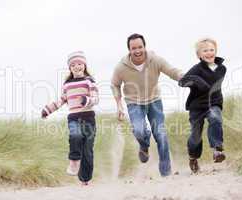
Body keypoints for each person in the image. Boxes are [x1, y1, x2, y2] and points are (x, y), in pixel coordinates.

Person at [111, 33, 183, 176]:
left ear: (144, 46)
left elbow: (172, 71)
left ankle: (166, 173)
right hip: (134, 103)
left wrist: (184, 77)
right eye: (133, 48)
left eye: (140, 47)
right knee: (138, 130)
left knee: (161, 135)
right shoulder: (121, 67)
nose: (137, 51)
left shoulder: (155, 60)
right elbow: (114, 84)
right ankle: (144, 146)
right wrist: (119, 105)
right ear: (129, 50)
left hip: (154, 100)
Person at [41, 51, 99, 185]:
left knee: (88, 151)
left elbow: (96, 98)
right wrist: (48, 110)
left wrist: (87, 100)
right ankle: (74, 161)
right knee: (75, 136)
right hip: (73, 118)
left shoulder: (89, 81)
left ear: (84, 65)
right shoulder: (67, 85)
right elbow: (61, 101)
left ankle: (85, 179)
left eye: (79, 63)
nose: (77, 66)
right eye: (73, 64)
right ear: (70, 68)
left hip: (89, 118)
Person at [178, 38, 226, 173]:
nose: (209, 53)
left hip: (213, 103)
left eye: (212, 50)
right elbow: (182, 82)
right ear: (199, 55)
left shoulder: (222, 69)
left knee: (216, 118)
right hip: (197, 107)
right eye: (205, 51)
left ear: (216, 52)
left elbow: (213, 81)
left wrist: (206, 86)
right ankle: (193, 157)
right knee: (195, 135)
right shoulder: (196, 69)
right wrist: (197, 80)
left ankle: (217, 150)